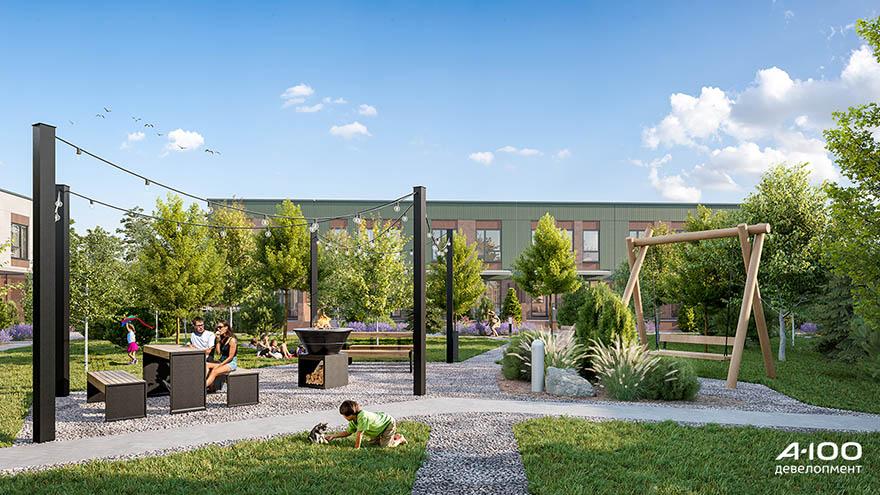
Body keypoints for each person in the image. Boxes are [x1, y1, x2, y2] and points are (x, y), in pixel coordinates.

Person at [326, 400, 407, 448]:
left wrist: (356, 448)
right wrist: (333, 436)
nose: (344, 417)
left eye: (344, 416)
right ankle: (387, 436)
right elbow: (348, 432)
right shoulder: (353, 420)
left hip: (387, 423)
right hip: (378, 427)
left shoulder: (362, 417)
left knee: (385, 445)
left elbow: (359, 434)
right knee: (373, 444)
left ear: (351, 415)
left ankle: (400, 439)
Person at [206, 320, 238, 391]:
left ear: (226, 327)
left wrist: (220, 365)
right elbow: (218, 353)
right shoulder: (221, 338)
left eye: (220, 327)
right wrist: (217, 340)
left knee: (214, 371)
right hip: (222, 361)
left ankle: (200, 388)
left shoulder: (232, 340)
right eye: (217, 327)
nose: (218, 329)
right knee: (206, 365)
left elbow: (231, 357)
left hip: (231, 363)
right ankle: (210, 387)